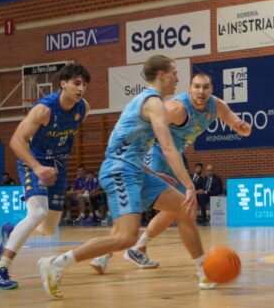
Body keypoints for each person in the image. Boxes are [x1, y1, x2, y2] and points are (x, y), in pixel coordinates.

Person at [37, 56, 224, 299]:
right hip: (119, 170)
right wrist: (189, 185)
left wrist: (154, 173)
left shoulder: (153, 102)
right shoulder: (154, 103)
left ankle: (204, 271)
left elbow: (133, 146)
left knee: (184, 209)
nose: (178, 78)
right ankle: (56, 263)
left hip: (135, 169)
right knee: (125, 237)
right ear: (161, 75)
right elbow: (167, 148)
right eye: (175, 73)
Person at [90, 72, 250, 272]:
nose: (201, 91)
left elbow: (237, 124)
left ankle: (138, 248)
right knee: (134, 202)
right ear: (189, 88)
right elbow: (145, 126)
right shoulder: (176, 108)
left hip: (175, 156)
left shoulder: (216, 106)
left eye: (205, 87)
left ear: (211, 89)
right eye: (197, 87)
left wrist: (242, 127)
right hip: (155, 151)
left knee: (181, 205)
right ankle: (104, 253)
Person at [0, 63, 90, 290]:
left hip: (58, 166)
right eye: (76, 83)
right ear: (63, 83)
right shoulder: (44, 109)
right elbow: (16, 141)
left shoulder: (83, 108)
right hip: (32, 161)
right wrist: (37, 167)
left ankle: (11, 231)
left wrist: (53, 165)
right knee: (37, 212)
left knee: (49, 229)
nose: (81, 88)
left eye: (84, 84)